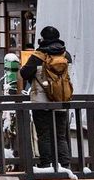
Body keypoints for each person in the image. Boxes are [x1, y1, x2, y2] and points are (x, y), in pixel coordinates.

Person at [20, 25, 73, 168]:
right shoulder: (65, 55)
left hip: (41, 102)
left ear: (43, 39)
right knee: (61, 136)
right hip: (61, 100)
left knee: (44, 135)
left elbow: (24, 74)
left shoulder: (38, 56)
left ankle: (47, 166)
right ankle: (65, 165)